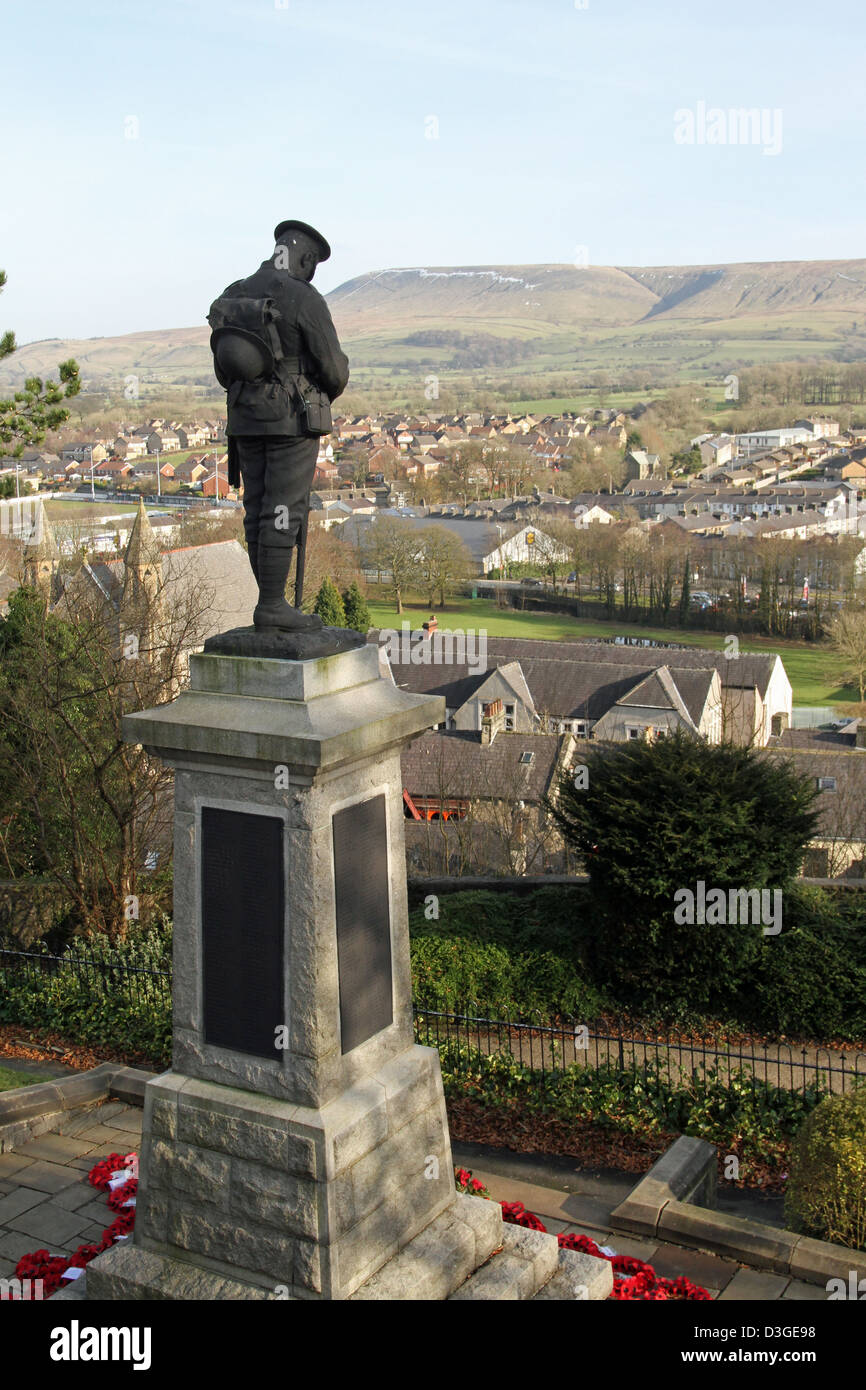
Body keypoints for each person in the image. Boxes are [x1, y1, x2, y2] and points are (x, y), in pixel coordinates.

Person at [210, 219, 349, 631]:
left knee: (256, 508)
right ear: (305, 258)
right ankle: (272, 605)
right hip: (291, 420)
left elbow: (225, 365)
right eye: (312, 263)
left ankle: (270, 601)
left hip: (244, 419)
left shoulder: (233, 293)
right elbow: (333, 370)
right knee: (285, 508)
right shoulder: (302, 297)